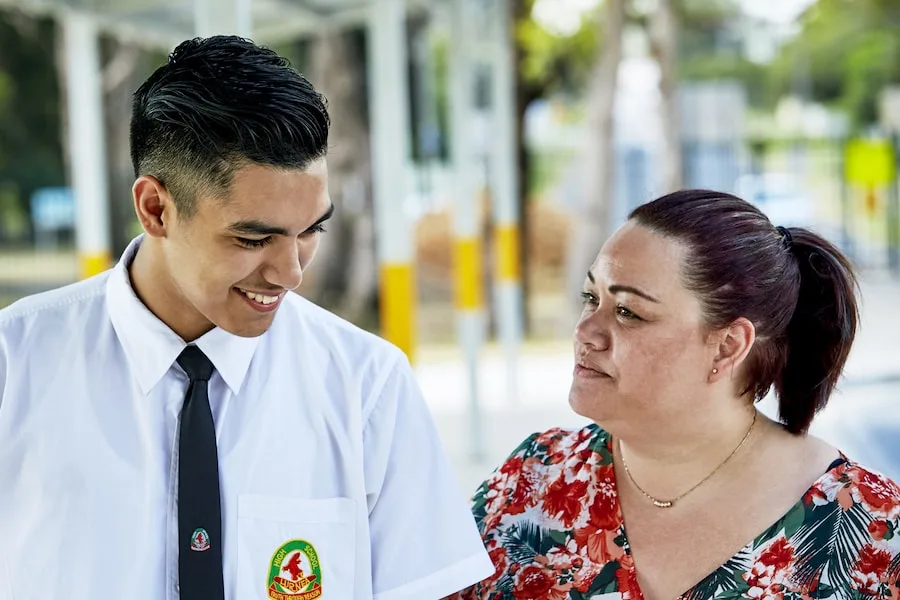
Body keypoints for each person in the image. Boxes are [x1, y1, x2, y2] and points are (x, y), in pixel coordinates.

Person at [0, 35, 493, 600]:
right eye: (254, 237)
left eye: (310, 231)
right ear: (155, 209)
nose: (291, 273)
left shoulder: (368, 386)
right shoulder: (14, 365)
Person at [453, 189, 900, 600]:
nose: (585, 332)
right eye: (591, 298)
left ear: (728, 346)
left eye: (628, 312)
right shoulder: (530, 480)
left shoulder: (871, 527)